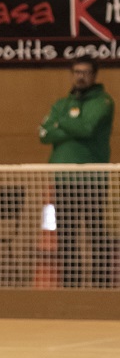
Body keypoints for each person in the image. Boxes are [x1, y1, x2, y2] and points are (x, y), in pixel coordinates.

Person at [39, 56, 115, 288]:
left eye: (85, 72)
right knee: (67, 238)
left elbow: (87, 128)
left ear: (94, 75)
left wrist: (60, 123)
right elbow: (44, 134)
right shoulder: (62, 103)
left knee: (96, 235)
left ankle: (101, 287)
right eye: (77, 72)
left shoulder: (103, 102)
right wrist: (69, 125)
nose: (80, 76)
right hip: (63, 180)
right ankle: (70, 288)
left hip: (92, 180)